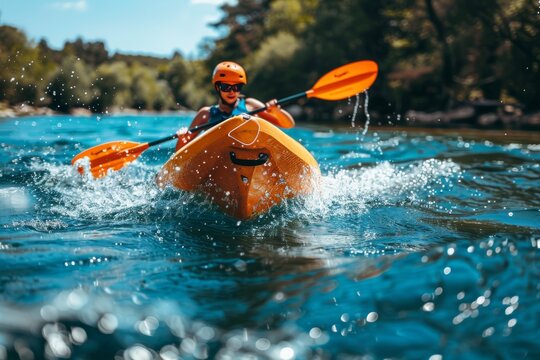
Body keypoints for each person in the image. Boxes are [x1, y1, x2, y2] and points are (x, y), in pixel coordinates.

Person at [175, 61, 295, 151]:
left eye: (236, 87)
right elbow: (180, 150)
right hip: (218, 159)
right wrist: (182, 138)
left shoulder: (251, 105)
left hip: (249, 154)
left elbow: (288, 125)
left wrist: (277, 112)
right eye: (226, 87)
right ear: (217, 87)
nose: (232, 91)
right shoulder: (206, 114)